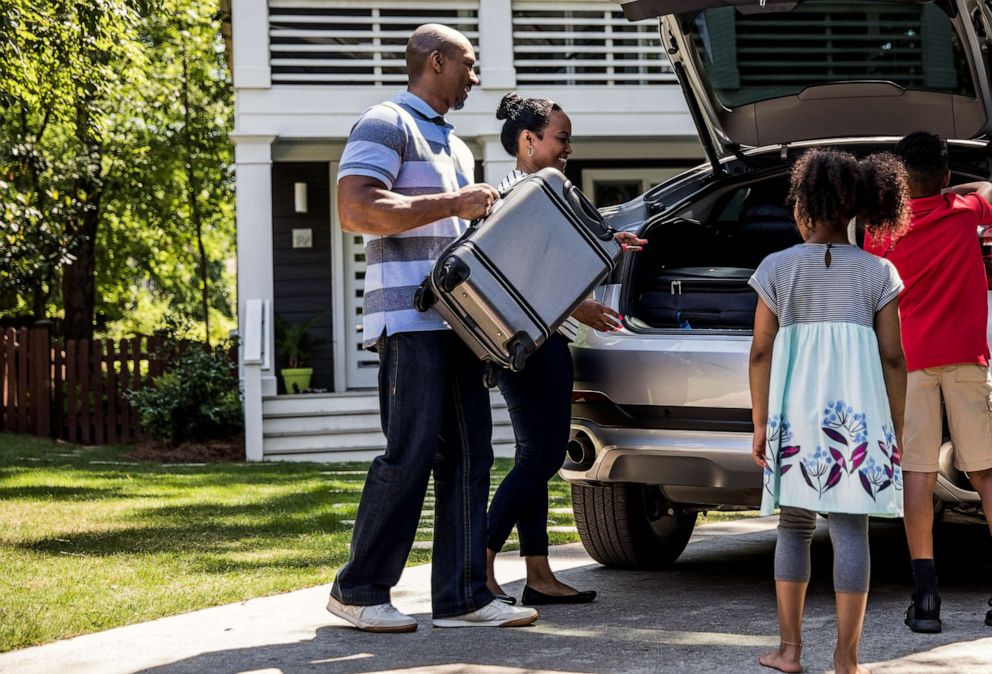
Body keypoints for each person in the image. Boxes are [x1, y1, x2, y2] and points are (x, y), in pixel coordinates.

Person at [326, 25, 539, 632]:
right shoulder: (386, 122)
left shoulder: (456, 144)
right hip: (409, 322)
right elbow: (355, 209)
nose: (476, 76)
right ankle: (359, 589)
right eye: (469, 65)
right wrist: (452, 205)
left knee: (473, 457)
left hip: (459, 326)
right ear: (436, 61)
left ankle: (463, 597)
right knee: (410, 453)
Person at [749, 149, 909, 674]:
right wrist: (895, 428)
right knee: (850, 530)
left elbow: (760, 350)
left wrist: (760, 422)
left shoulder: (776, 268)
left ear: (805, 208)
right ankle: (848, 657)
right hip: (856, 425)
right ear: (857, 210)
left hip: (793, 420)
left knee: (793, 528)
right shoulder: (878, 272)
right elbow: (893, 357)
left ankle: (789, 652)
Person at [485, 92, 646, 605]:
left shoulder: (540, 192)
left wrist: (610, 241)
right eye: (561, 138)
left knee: (537, 457)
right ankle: (479, 565)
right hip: (530, 346)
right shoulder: (522, 198)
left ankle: (537, 573)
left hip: (536, 342)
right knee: (541, 458)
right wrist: (580, 308)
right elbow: (518, 275)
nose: (568, 148)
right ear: (529, 140)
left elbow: (559, 256)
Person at [864, 131, 992, 633]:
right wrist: (955, 188)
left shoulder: (880, 229)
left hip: (911, 364)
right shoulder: (964, 211)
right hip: (966, 359)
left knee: (916, 475)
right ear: (944, 176)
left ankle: (926, 599)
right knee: (984, 473)